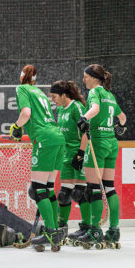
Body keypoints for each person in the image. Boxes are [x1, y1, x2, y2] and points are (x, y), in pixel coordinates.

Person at [10, 65, 66, 251]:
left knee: (38, 189)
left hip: (44, 139)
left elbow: (26, 113)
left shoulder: (22, 88)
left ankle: (51, 231)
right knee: (48, 189)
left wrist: (16, 127)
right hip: (58, 137)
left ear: (21, 77)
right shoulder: (40, 92)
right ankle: (55, 231)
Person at [76, 64, 127, 249]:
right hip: (112, 143)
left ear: (94, 78)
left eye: (85, 77)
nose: (84, 80)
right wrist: (120, 127)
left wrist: (84, 118)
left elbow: (96, 108)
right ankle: (114, 230)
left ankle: (95, 231)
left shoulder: (95, 92)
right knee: (109, 188)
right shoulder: (110, 95)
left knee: (93, 189)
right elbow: (122, 118)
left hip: (97, 143)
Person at [49, 80, 92, 243]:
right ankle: (62, 227)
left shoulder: (76, 107)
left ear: (63, 95)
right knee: (64, 194)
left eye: (54, 96)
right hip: (65, 155)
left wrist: (81, 153)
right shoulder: (61, 109)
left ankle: (87, 227)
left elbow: (86, 132)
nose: (53, 100)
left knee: (80, 193)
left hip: (78, 152)